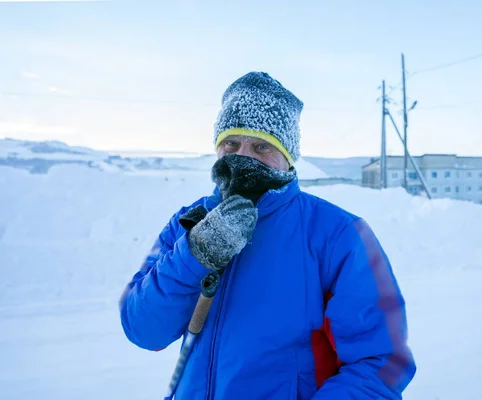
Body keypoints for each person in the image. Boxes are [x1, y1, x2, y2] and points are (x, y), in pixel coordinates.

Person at [118, 71, 416, 399]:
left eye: (261, 146)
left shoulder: (338, 235)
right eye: (231, 143)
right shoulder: (188, 223)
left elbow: (382, 363)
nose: (242, 156)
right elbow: (143, 329)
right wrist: (195, 254)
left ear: (287, 156)